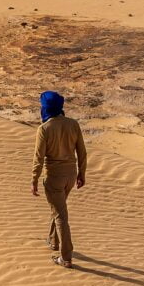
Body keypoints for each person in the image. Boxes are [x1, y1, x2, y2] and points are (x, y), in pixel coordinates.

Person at [31, 90, 86, 266]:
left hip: (54, 176)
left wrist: (34, 180)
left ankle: (66, 257)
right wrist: (81, 173)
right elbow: (82, 151)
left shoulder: (44, 129)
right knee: (58, 209)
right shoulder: (73, 124)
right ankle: (53, 241)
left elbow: (38, 158)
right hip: (70, 175)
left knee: (60, 215)